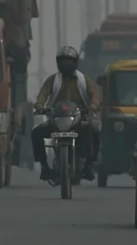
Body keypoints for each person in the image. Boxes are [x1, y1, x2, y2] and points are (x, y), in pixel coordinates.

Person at [31, 46, 101, 181]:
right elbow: (43, 94)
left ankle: (89, 165)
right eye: (63, 61)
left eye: (69, 61)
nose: (66, 64)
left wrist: (93, 105)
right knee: (36, 133)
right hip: (56, 120)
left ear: (76, 62)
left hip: (78, 119)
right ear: (58, 62)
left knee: (95, 133)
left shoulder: (83, 80)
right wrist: (39, 106)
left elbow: (94, 94)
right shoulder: (52, 80)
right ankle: (44, 166)